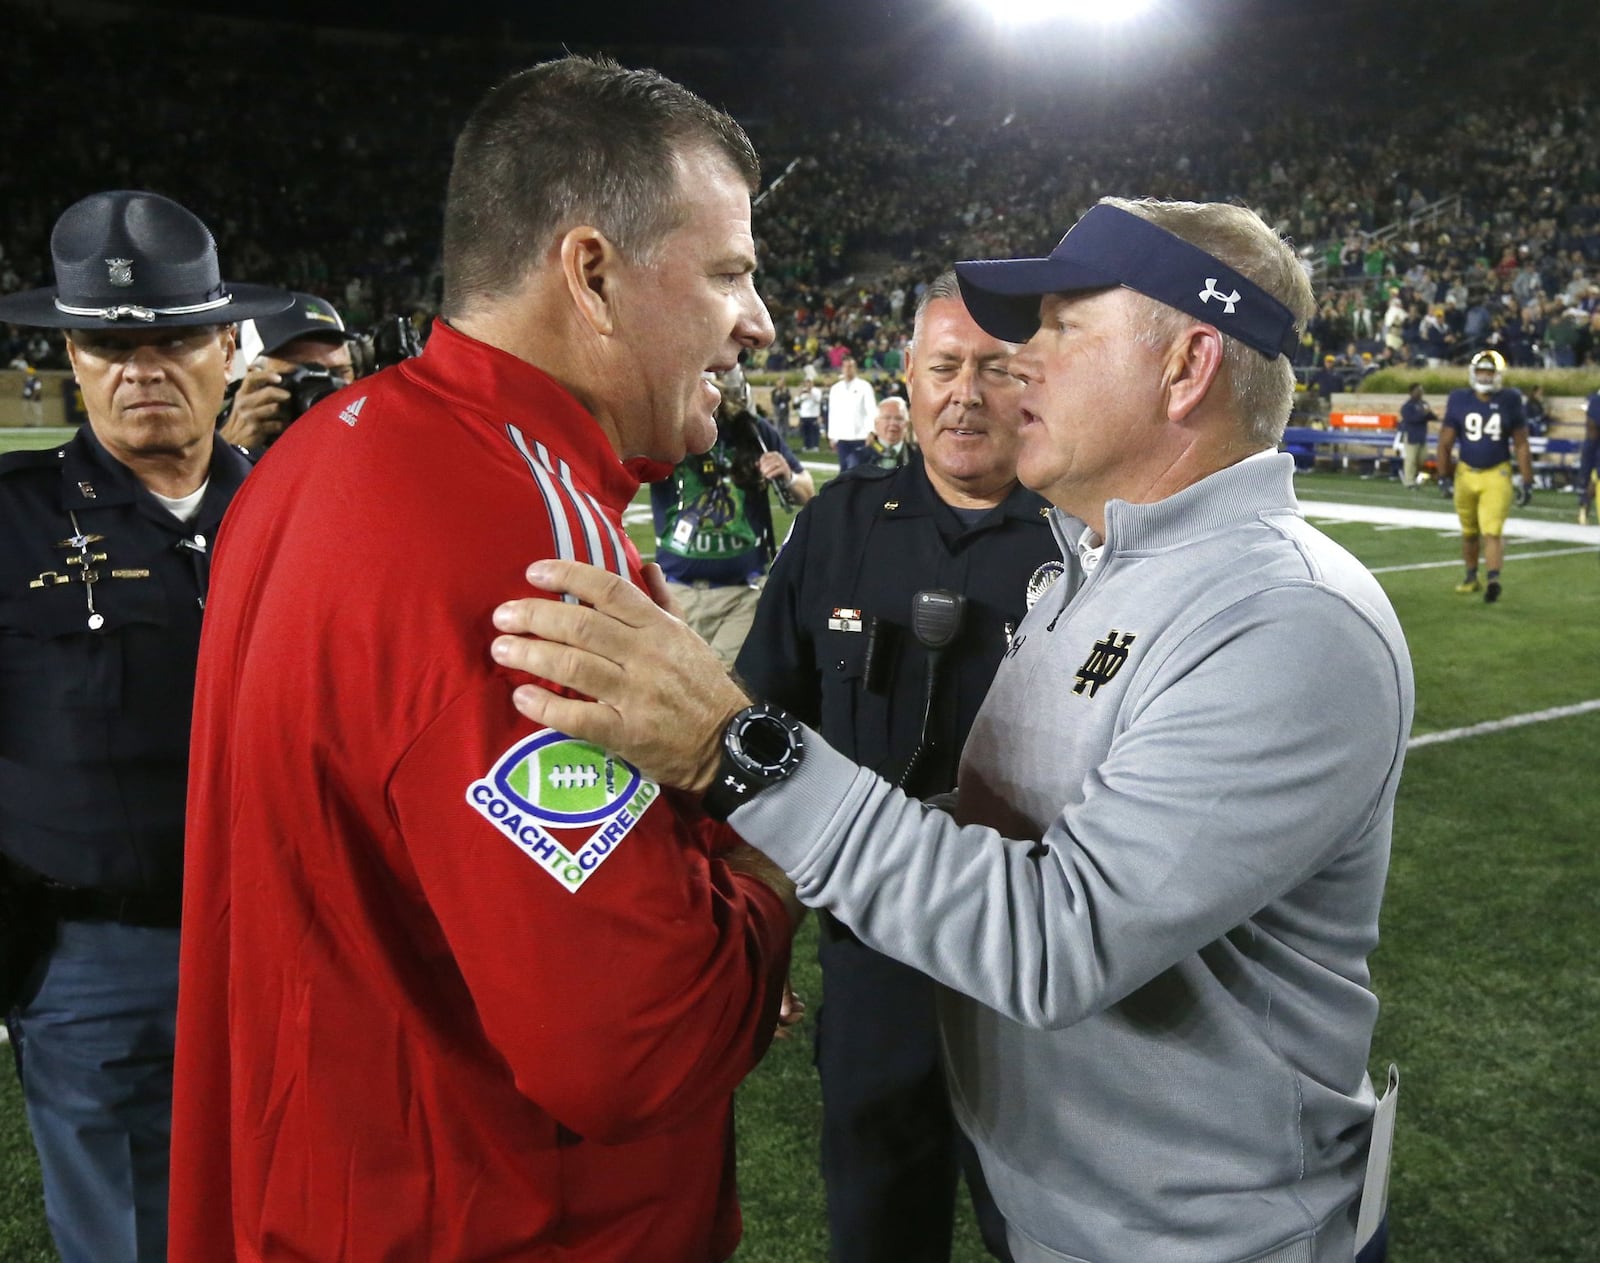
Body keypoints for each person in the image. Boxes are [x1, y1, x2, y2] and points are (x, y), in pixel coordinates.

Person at [490, 196, 1413, 1263]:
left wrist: (741, 752)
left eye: (1061, 330)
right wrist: (771, 865)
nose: (1023, 366)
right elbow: (1009, 834)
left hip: (1208, 1240)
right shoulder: (1102, 566)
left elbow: (1056, 942)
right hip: (1075, 1213)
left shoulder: (1286, 618)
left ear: (1187, 366)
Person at [168, 56, 802, 1263]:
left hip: (330, 1187)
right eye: (729, 272)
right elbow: (632, 1042)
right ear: (593, 274)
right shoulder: (534, 540)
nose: (755, 320)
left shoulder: (323, 454)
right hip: (500, 1215)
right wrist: (767, 884)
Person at [735, 272, 1054, 1263]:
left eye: (996, 371)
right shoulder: (840, 524)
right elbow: (763, 721)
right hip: (875, 958)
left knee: (1051, 1230)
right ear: (906, 379)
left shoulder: (1092, 535)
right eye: (945, 366)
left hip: (1043, 969)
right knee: (876, 1227)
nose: (966, 393)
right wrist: (760, 933)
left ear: (1036, 385)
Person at [0, 189, 291, 1263]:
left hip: (294, 949)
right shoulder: (10, 519)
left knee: (299, 1214)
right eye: (105, 345)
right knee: (128, 1239)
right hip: (94, 963)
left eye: (171, 339)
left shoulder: (299, 511)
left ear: (227, 346)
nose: (140, 369)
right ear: (71, 360)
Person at [652, 366, 814, 667]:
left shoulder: (754, 432)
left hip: (742, 595)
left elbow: (807, 492)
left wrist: (788, 476)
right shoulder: (662, 429)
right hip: (676, 592)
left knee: (726, 691)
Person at [1436, 349, 1534, 603]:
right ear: (1473, 373)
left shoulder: (1510, 399)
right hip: (1465, 473)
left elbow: (1521, 444)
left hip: (1496, 473)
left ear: (1498, 375)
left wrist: (1527, 479)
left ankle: (1493, 580)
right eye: (1481, 371)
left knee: (1492, 531)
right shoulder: (1459, 399)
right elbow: (1445, 442)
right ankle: (1471, 577)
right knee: (1469, 531)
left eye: (1490, 372)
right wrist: (1443, 475)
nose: (1485, 376)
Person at [218, 290, 359, 453]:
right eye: (306, 375)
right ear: (255, 377)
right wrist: (230, 454)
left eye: (340, 372)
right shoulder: (209, 438)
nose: (326, 389)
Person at [828, 354, 877, 470]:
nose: (848, 369)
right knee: (844, 470)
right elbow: (833, 413)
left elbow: (871, 410)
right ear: (842, 368)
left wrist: (871, 431)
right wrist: (832, 436)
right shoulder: (835, 389)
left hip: (860, 436)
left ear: (855, 368)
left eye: (851, 366)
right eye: (846, 366)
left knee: (856, 469)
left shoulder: (865, 386)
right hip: (842, 437)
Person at [1396, 382, 1437, 488]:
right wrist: (1424, 414)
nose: (1420, 392)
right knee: (1410, 458)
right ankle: (1409, 481)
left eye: (1421, 390)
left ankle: (1416, 477)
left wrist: (1432, 415)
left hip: (1422, 435)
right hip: (1411, 435)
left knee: (1422, 458)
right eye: (1418, 390)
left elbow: (1431, 416)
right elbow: (1412, 419)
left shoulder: (1424, 403)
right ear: (1411, 392)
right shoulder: (1407, 406)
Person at [862, 394, 912, 469]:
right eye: (887, 418)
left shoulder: (921, 460)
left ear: (907, 425)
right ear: (876, 423)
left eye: (899, 418)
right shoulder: (857, 459)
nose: (893, 423)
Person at [1578, 387, 1599, 524]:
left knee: (1592, 479)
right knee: (1588, 480)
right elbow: (1592, 431)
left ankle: (1584, 503)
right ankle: (1584, 504)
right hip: (1593, 447)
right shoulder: (1596, 401)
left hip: (1593, 446)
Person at [797, 369, 824, 451]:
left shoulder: (817, 391)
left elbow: (818, 400)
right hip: (804, 415)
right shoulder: (803, 391)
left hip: (813, 414)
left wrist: (810, 393)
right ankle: (806, 445)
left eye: (809, 382)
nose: (808, 384)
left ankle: (815, 446)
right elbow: (798, 402)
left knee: (814, 431)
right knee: (806, 432)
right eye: (807, 382)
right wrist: (800, 394)